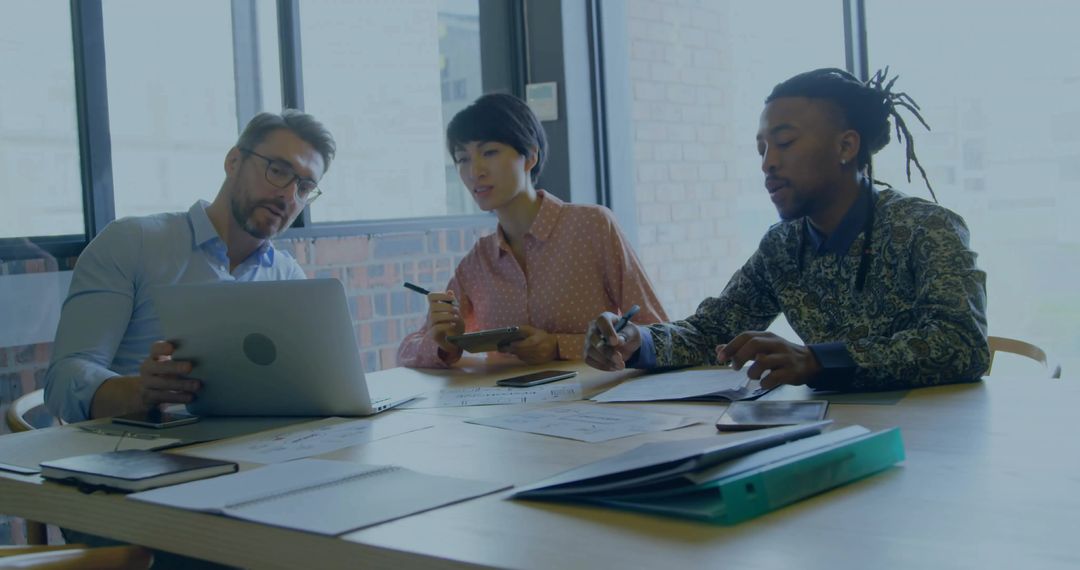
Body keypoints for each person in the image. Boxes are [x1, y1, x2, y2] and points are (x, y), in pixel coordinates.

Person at [585, 68, 989, 391]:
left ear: (846, 147)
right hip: (831, 434)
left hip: (929, 438)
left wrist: (817, 360)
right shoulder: (782, 246)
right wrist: (639, 341)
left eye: (785, 142)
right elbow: (713, 330)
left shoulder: (927, 228)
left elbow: (962, 345)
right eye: (761, 148)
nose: (767, 163)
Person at [44, 110, 336, 422]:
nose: (289, 195)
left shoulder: (288, 278)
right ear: (233, 162)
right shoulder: (133, 242)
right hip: (138, 451)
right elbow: (63, 380)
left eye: (304, 188)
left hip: (253, 448)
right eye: (278, 171)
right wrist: (139, 392)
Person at [397, 93, 666, 368]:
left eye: (489, 152)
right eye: (462, 158)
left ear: (530, 156)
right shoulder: (478, 261)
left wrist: (558, 346)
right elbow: (407, 350)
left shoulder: (593, 226)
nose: (474, 170)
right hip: (507, 407)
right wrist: (443, 342)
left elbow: (659, 334)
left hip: (593, 402)